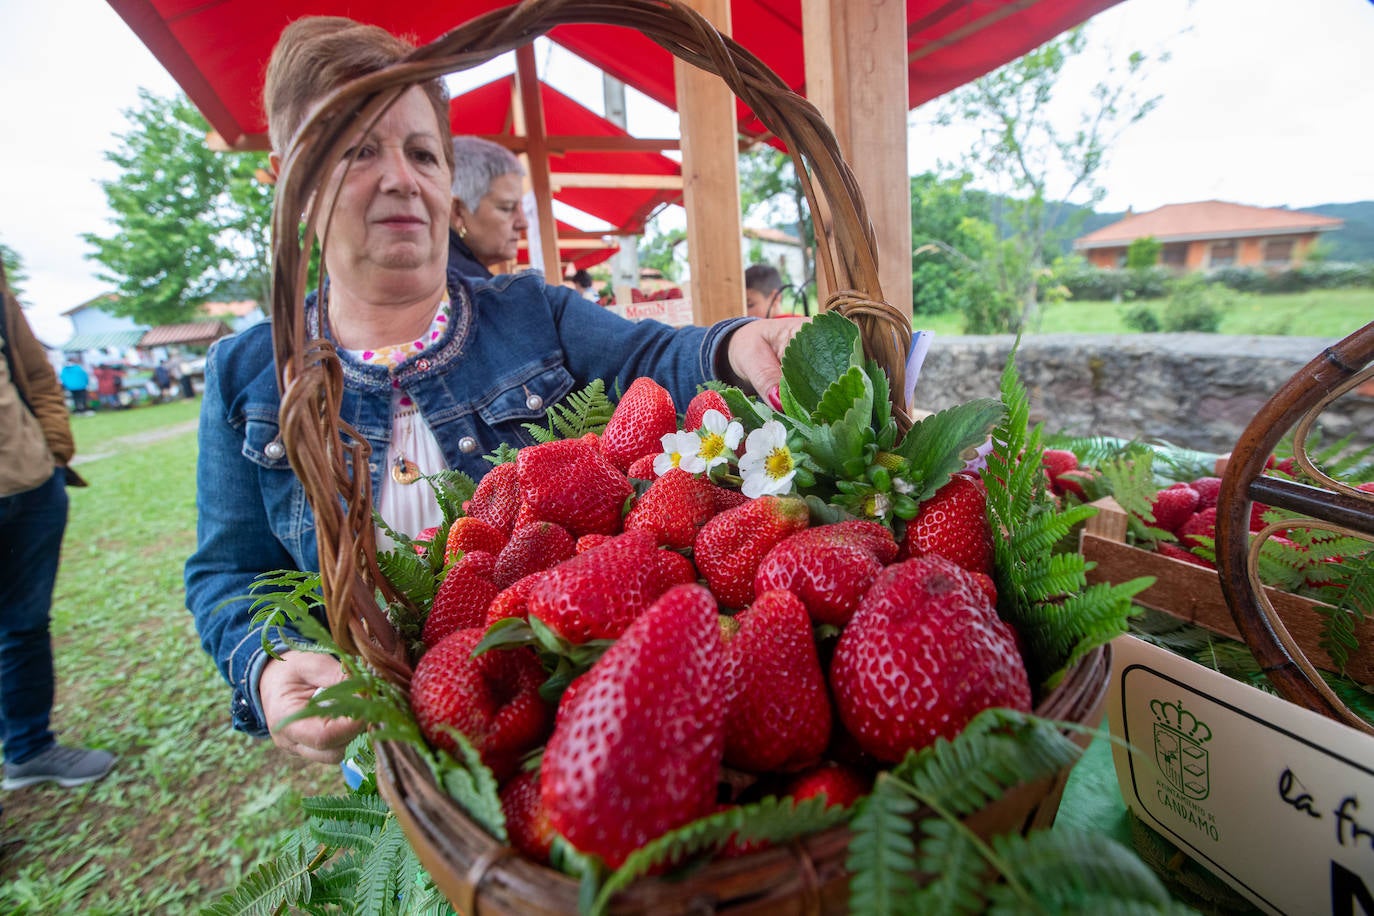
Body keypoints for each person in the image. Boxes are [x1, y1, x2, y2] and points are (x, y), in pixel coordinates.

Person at [184, 16, 805, 766]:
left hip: (555, 719)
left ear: (448, 178)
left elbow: (653, 355)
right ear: (293, 179)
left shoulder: (532, 313)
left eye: (422, 153)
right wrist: (269, 663)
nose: (401, 178)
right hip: (384, 749)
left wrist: (738, 343)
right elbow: (229, 574)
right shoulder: (247, 375)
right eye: (357, 150)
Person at [0, 261, 116, 790]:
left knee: (25, 624)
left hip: (27, 483)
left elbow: (37, 374)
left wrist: (51, 452)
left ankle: (29, 747)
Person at [447, 136, 529, 279]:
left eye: (521, 207)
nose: (523, 223)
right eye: (506, 208)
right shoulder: (462, 284)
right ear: (458, 212)